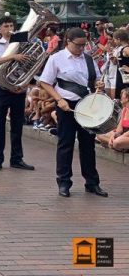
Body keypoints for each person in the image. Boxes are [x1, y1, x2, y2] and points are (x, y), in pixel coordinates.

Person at [39, 27, 107, 198]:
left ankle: (92, 182)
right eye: (78, 45)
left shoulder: (88, 59)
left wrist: (99, 84)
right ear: (68, 42)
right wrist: (58, 99)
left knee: (88, 145)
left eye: (84, 45)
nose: (82, 49)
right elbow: (45, 82)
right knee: (66, 144)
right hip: (66, 105)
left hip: (87, 105)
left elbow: (96, 79)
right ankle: (64, 182)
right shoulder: (56, 58)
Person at [0, 16, 35, 172]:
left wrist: (25, 83)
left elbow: (29, 65)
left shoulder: (22, 43)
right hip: (1, 87)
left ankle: (16, 158)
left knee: (17, 125)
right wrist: (12, 56)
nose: (9, 28)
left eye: (11, 25)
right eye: (5, 26)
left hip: (18, 88)